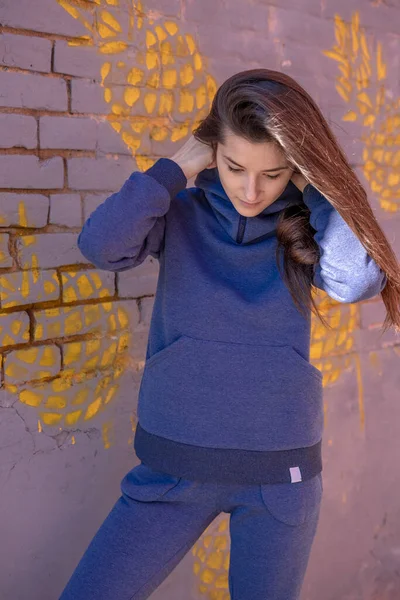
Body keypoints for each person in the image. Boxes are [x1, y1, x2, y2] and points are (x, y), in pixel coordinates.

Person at [59, 69, 400, 600]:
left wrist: (313, 188)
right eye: (235, 166)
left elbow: (357, 279)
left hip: (279, 478)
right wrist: (176, 166)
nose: (251, 190)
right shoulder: (180, 214)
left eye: (274, 173)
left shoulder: (301, 225)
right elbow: (102, 245)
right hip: (173, 468)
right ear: (213, 151)